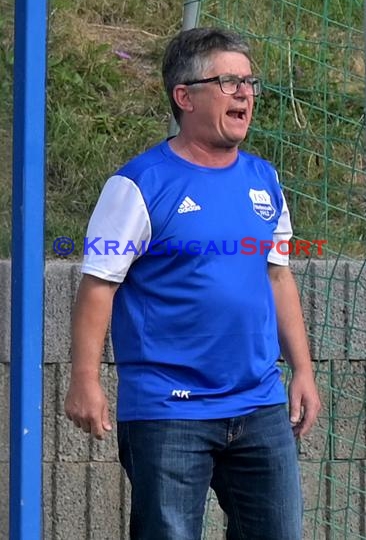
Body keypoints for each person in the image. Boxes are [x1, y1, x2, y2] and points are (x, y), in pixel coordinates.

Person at [64, 27, 321, 540]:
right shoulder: (138, 185)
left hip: (260, 405)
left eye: (249, 82)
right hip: (168, 409)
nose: (245, 93)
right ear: (185, 96)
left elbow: (277, 275)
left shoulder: (264, 179)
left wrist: (304, 371)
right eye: (228, 81)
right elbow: (99, 285)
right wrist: (85, 380)